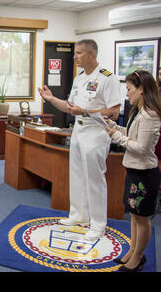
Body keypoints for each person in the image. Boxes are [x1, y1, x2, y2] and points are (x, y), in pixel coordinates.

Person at [38, 39, 121, 241]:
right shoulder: (80, 78)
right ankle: (78, 215)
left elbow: (115, 112)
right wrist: (51, 99)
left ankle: (98, 223)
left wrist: (85, 111)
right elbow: (69, 107)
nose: (75, 57)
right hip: (78, 131)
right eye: (75, 53)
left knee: (94, 179)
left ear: (91, 54)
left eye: (79, 53)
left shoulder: (107, 78)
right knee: (76, 175)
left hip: (96, 132)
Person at [105, 70, 161, 272]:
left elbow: (141, 147)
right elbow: (131, 134)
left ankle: (138, 257)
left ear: (142, 89)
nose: (126, 93)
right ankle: (132, 250)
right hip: (133, 171)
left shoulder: (151, 115)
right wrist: (113, 126)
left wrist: (115, 137)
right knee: (134, 215)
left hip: (145, 174)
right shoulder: (137, 111)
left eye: (129, 89)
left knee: (142, 218)